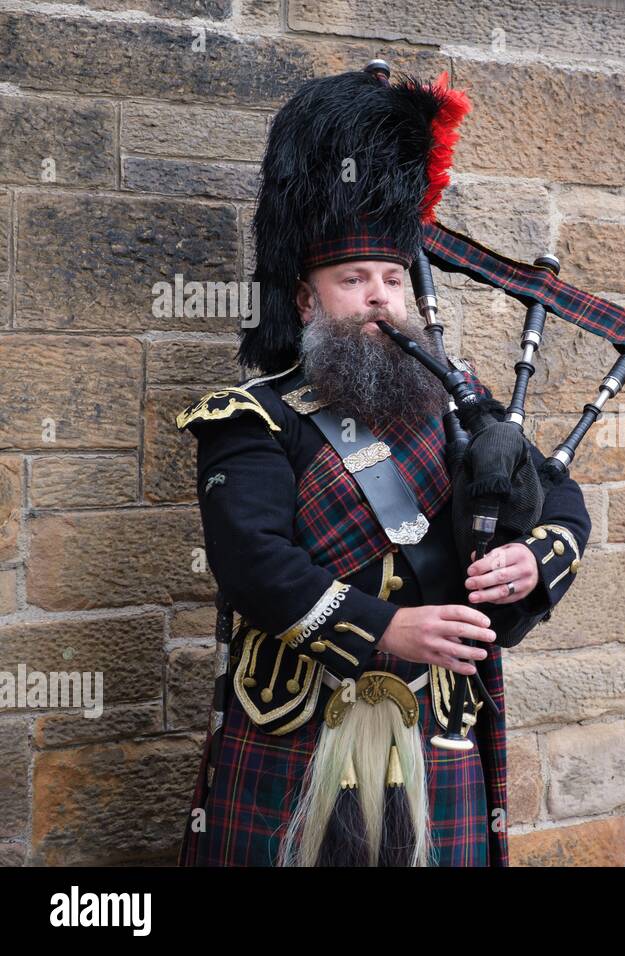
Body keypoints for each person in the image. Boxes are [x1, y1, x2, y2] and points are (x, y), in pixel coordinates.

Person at [174, 68, 590, 867]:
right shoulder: (252, 419)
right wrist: (389, 628)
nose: (377, 298)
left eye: (393, 280)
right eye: (352, 280)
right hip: (299, 727)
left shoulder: (460, 406)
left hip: (439, 725)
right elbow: (252, 563)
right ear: (306, 300)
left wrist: (528, 563)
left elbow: (564, 508)